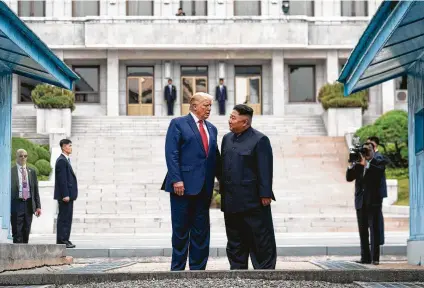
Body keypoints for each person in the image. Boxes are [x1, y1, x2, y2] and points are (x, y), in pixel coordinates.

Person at [162, 92, 221, 271]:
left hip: (204, 188)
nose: (209, 109)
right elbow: (171, 154)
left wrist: (224, 181)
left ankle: (198, 269)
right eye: (206, 105)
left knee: (201, 230)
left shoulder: (212, 128)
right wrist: (177, 179)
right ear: (194, 106)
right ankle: (177, 269)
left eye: (211, 105)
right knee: (180, 231)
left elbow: (214, 157)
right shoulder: (178, 124)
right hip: (183, 187)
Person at [219, 104, 277, 270]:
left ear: (245, 123)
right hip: (231, 201)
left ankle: (265, 272)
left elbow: (265, 169)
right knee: (235, 240)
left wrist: (265, 194)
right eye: (230, 116)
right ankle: (237, 270)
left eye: (233, 118)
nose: (230, 121)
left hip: (253, 202)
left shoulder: (260, 140)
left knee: (260, 238)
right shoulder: (227, 139)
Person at [346, 142, 387, 265]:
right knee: (363, 231)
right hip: (360, 202)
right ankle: (365, 257)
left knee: (374, 230)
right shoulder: (358, 164)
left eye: (368, 150)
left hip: (373, 202)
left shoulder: (378, 162)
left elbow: (377, 175)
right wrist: (351, 165)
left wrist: (367, 165)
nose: (365, 153)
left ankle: (375, 258)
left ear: (373, 150)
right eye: (364, 151)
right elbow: (349, 178)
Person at [10, 149, 41, 243]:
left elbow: (35, 190)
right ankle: (16, 255)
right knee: (17, 231)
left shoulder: (32, 172)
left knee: (26, 230)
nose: (23, 157)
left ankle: (24, 253)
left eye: (25, 156)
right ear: (16, 157)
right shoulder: (11, 172)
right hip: (16, 204)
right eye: (21, 156)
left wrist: (38, 207)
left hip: (28, 204)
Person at [54, 139, 78, 249]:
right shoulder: (61, 161)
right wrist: (65, 194)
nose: (71, 147)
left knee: (67, 218)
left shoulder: (66, 160)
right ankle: (62, 240)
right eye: (69, 145)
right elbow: (62, 180)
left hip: (68, 195)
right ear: (64, 147)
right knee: (64, 218)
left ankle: (65, 239)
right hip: (65, 196)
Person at [366, 136, 387, 246]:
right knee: (374, 215)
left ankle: (378, 239)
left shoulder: (379, 157)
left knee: (377, 215)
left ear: (375, 145)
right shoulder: (369, 157)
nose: (368, 147)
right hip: (370, 192)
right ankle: (376, 239)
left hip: (377, 191)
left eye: (370, 145)